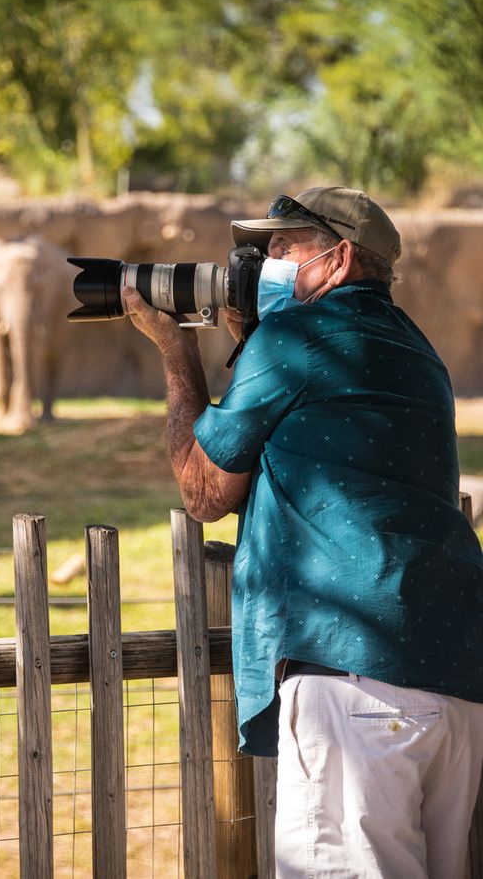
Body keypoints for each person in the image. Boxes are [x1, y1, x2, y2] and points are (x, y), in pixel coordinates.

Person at [122, 186, 483, 879]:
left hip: (354, 687)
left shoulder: (297, 338)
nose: (264, 263)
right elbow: (327, 434)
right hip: (453, 683)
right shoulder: (417, 350)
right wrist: (249, 340)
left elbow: (204, 490)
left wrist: (176, 348)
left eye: (283, 247)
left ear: (339, 258)